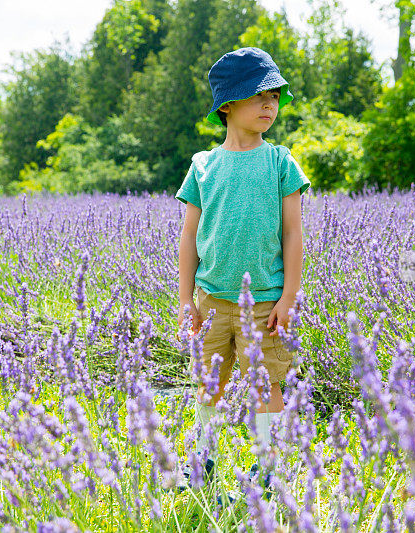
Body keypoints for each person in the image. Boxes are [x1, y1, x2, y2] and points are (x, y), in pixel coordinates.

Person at [174, 47, 311, 499]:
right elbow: (189, 238)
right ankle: (202, 460)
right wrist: (184, 300)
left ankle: (267, 470)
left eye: (274, 96)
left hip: (266, 300)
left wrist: (289, 298)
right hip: (212, 299)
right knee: (208, 384)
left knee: (266, 383)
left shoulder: (280, 162)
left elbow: (293, 235)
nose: (270, 105)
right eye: (259, 96)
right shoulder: (203, 166)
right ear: (227, 105)